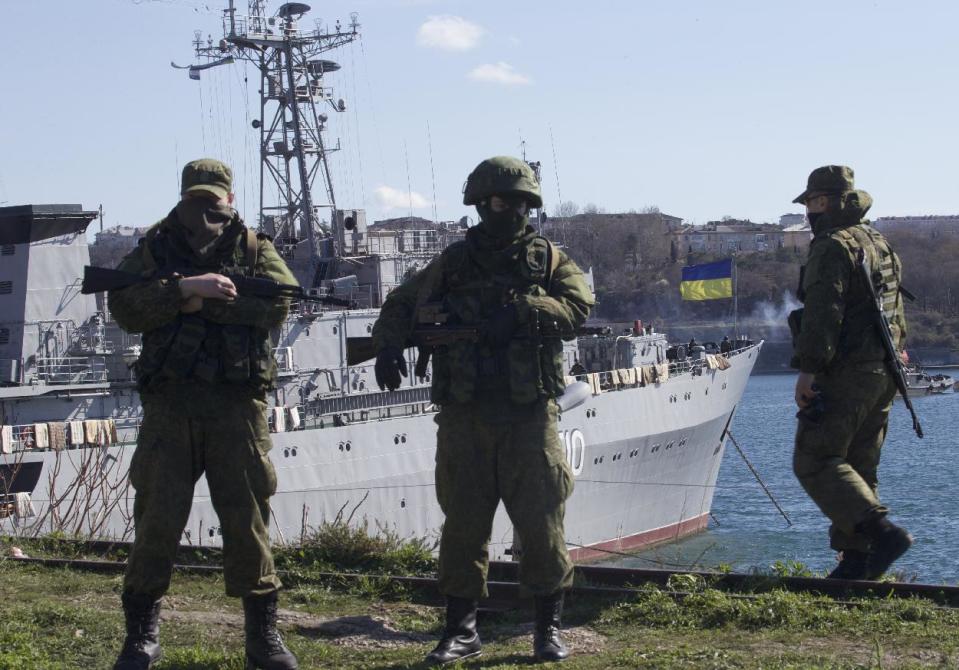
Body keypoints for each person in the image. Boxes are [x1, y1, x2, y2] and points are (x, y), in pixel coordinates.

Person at [371, 156, 594, 665]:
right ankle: (461, 628)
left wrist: (523, 309)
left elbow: (578, 310)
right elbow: (402, 304)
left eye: (518, 202)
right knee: (463, 525)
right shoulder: (452, 263)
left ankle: (546, 628)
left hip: (528, 414)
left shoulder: (550, 261)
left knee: (542, 524)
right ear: (480, 204)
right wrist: (388, 346)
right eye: (499, 201)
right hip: (465, 412)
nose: (509, 210)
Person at [108, 159, 299, 670]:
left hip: (236, 408)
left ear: (230, 199)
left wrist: (208, 299)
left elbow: (279, 302)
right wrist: (183, 291)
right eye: (198, 199)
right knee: (155, 520)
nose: (206, 210)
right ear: (184, 196)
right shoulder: (156, 245)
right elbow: (124, 306)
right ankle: (141, 637)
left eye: (213, 201)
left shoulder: (255, 248)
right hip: (170, 408)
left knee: (247, 522)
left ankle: (263, 637)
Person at [790, 165, 912, 581]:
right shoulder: (878, 241)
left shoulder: (831, 245)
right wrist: (896, 352)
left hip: (847, 371)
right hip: (884, 370)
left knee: (816, 458)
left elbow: (823, 312)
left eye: (813, 201)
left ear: (829, 202)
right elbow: (896, 306)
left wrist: (809, 370)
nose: (809, 210)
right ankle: (857, 563)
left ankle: (881, 535)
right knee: (860, 465)